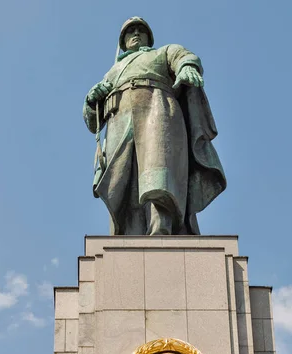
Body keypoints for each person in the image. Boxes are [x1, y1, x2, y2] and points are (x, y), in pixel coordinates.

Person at [83, 17, 226, 235]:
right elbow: (92, 121)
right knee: (121, 182)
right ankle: (128, 234)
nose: (136, 34)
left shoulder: (161, 53)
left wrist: (187, 66)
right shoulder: (113, 72)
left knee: (157, 174)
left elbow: (183, 56)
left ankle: (161, 229)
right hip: (120, 122)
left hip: (157, 111)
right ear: (123, 41)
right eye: (130, 31)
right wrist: (92, 101)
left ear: (149, 37)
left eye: (141, 30)